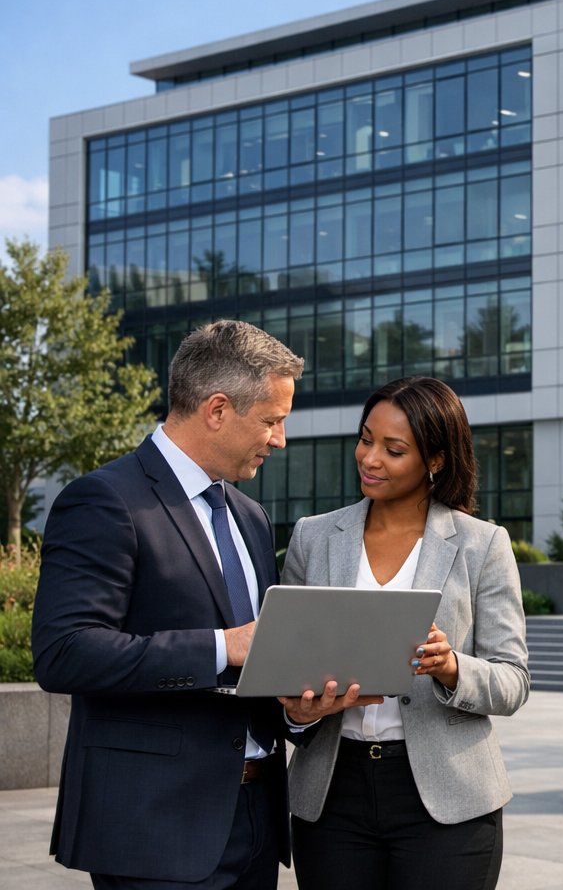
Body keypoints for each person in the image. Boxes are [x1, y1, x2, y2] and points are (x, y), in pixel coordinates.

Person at [32, 320, 310, 888]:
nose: (280, 438)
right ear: (216, 409)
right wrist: (221, 646)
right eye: (272, 420)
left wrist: (294, 711)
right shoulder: (105, 500)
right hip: (152, 831)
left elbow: (256, 662)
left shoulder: (250, 517)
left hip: (257, 824)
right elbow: (64, 651)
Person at [281, 375, 531, 889]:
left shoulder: (482, 545)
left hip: (448, 798)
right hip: (333, 793)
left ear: (435, 460)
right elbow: (286, 663)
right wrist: (299, 712)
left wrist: (452, 666)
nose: (370, 459)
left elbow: (512, 681)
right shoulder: (313, 536)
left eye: (393, 450)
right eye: (365, 438)